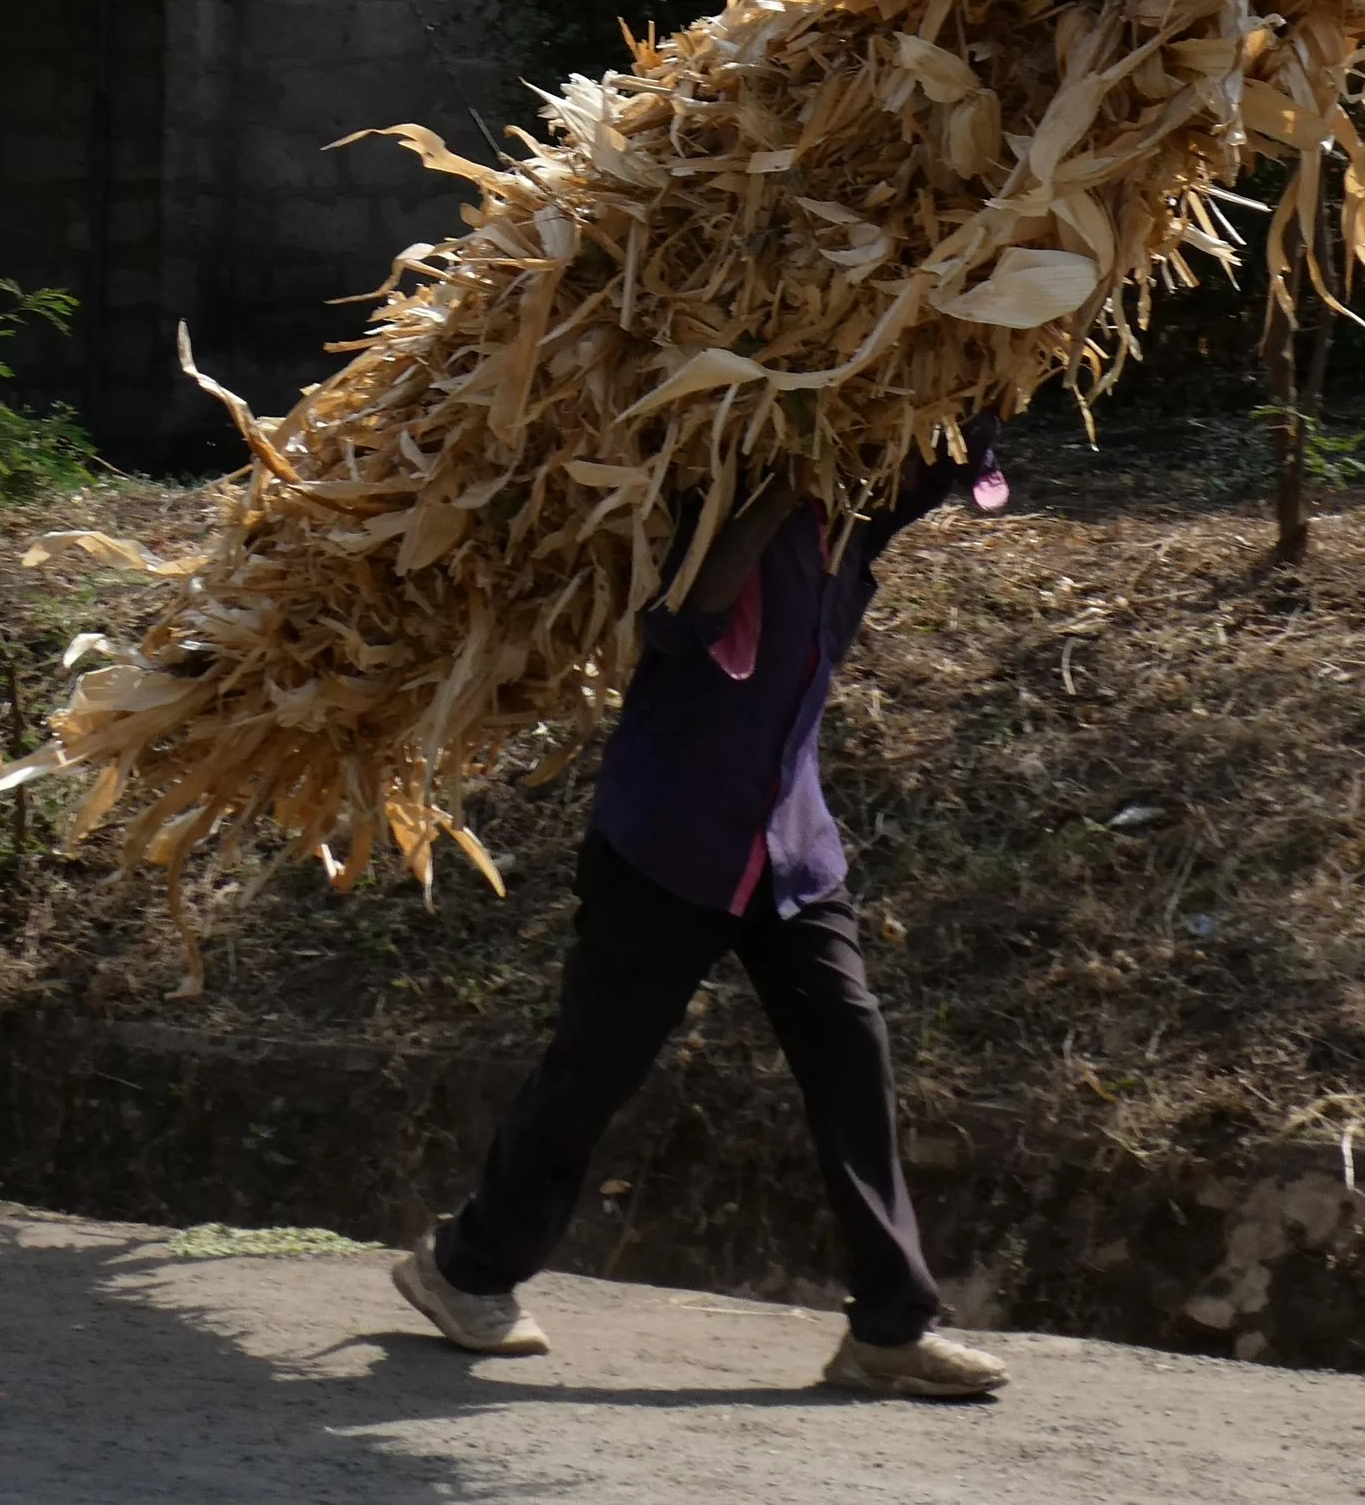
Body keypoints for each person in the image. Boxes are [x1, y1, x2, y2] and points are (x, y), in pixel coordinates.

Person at [393, 422, 1012, 1399]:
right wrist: (774, 486)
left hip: (790, 857)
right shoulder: (712, 503)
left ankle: (890, 1328)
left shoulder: (852, 527)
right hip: (667, 846)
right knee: (594, 1071)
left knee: (851, 1063)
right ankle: (462, 1269)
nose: (884, 470)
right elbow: (681, 619)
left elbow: (944, 458)